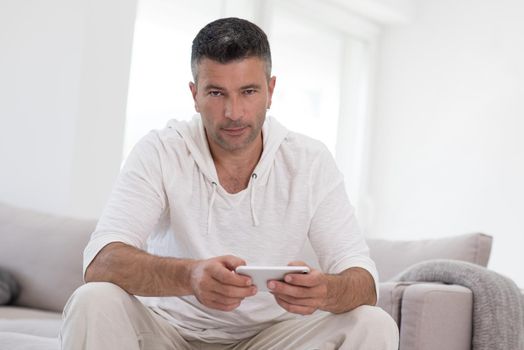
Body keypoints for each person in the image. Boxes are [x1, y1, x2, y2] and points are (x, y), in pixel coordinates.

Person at [60, 17, 399, 350]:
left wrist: (325, 290)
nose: (234, 112)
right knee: (94, 299)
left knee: (373, 323)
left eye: (248, 91)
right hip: (167, 334)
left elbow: (363, 281)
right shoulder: (160, 150)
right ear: (195, 95)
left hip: (269, 338)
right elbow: (100, 262)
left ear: (271, 90)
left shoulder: (310, 160)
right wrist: (190, 276)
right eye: (216, 93)